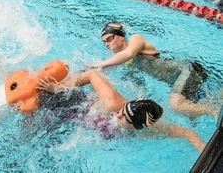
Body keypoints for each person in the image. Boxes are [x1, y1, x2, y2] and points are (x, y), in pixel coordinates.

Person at [38, 69, 206, 152]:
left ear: (138, 126)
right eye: (123, 110)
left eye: (125, 117)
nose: (118, 114)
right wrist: (59, 87)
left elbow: (188, 133)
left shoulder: (152, 129)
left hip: (85, 126)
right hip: (77, 105)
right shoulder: (114, 104)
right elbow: (91, 74)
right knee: (34, 102)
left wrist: (203, 152)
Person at [88, 21, 218, 121]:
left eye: (109, 39)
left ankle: (214, 111)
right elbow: (101, 77)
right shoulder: (120, 60)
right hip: (177, 82)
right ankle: (216, 104)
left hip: (187, 70)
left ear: (121, 36)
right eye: (104, 41)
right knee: (191, 116)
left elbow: (129, 53)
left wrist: (101, 64)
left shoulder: (136, 39)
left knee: (176, 105)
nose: (106, 44)